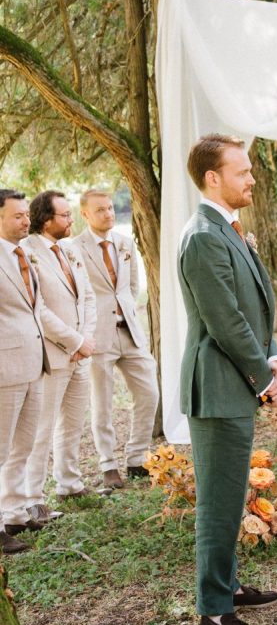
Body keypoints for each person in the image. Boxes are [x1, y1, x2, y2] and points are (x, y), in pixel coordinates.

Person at [178, 134, 277, 625]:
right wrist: (264, 379)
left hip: (236, 382)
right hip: (217, 388)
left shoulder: (228, 229)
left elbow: (256, 306)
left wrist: (276, 357)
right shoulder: (202, 236)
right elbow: (225, 323)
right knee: (219, 501)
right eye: (241, 171)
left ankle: (229, 584)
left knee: (232, 491)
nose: (252, 178)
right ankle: (214, 610)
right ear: (212, 178)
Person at [72, 190, 158, 489]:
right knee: (103, 402)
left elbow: (132, 286)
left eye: (110, 208)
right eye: (100, 210)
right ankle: (108, 465)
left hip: (130, 332)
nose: (108, 214)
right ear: (85, 214)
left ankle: (137, 458)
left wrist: (124, 312)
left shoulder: (124, 243)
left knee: (149, 393)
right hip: (98, 338)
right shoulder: (75, 248)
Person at [22, 190, 97, 518]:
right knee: (41, 429)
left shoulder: (70, 250)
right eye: (65, 215)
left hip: (82, 354)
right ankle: (31, 497)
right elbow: (39, 309)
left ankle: (69, 482)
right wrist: (73, 341)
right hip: (51, 355)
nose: (72, 220)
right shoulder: (28, 253)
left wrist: (87, 340)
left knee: (73, 423)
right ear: (46, 219)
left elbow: (89, 297)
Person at [0, 190, 53, 553]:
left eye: (25, 214)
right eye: (17, 215)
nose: (26, 220)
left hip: (33, 363)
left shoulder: (24, 255)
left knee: (23, 446)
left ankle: (15, 513)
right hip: (5, 366)